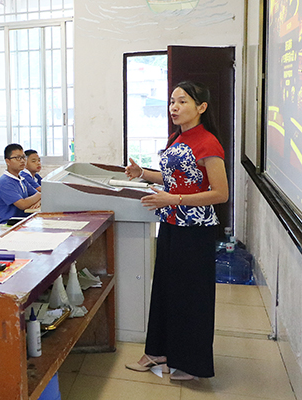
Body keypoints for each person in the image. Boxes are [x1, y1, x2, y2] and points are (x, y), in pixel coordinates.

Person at [124, 81, 229, 381]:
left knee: (189, 297)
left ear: (201, 107)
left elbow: (221, 193)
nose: (174, 107)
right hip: (170, 224)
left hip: (195, 231)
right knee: (165, 291)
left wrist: (175, 199)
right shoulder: (176, 137)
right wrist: (142, 173)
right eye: (172, 101)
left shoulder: (208, 143)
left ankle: (190, 363)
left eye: (182, 101)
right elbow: (175, 176)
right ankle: (158, 351)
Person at [0, 144, 41, 224]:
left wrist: (39, 200)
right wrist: (38, 196)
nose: (22, 161)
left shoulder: (21, 179)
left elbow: (39, 193)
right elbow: (22, 204)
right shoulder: (5, 182)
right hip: (8, 224)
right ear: (7, 161)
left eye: (23, 157)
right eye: (17, 158)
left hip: (23, 220)